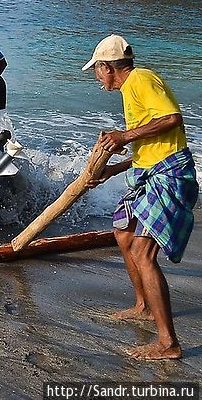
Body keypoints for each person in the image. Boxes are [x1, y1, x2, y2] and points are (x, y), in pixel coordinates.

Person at [83, 34, 198, 360]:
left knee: (142, 251)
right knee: (123, 232)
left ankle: (168, 343)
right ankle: (144, 305)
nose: (97, 77)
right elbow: (148, 148)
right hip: (151, 173)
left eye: (97, 70)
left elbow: (173, 119)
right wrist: (115, 168)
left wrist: (124, 134)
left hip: (170, 175)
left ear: (108, 68)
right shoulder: (132, 88)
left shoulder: (141, 80)